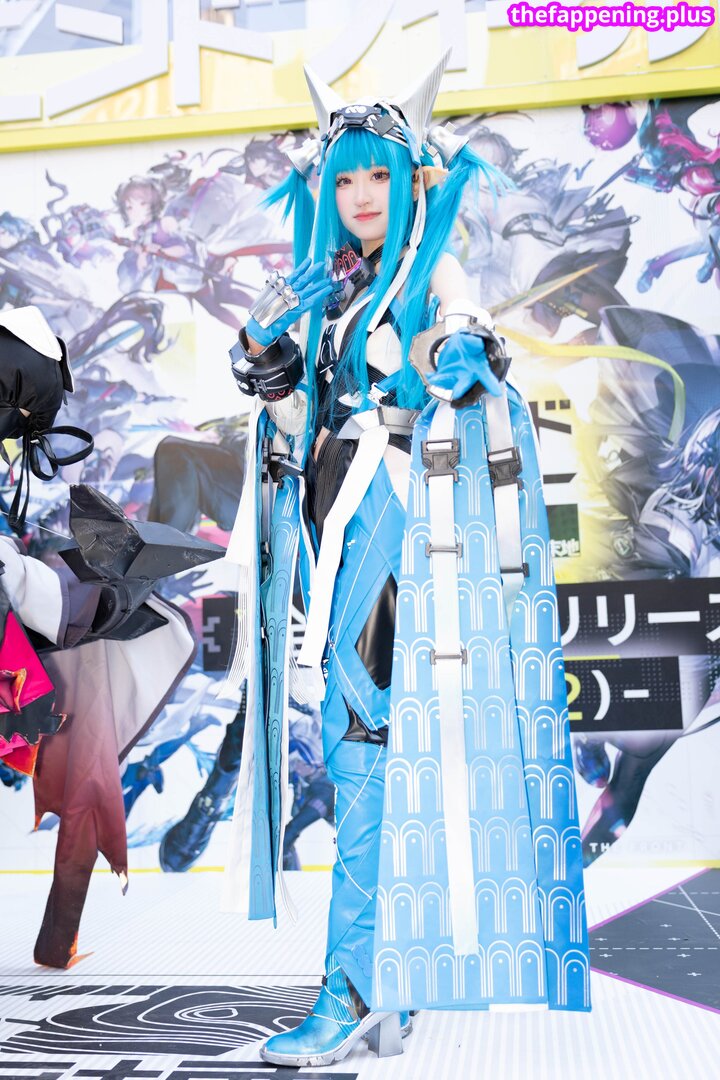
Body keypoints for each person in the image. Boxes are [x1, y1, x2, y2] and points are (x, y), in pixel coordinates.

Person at [224, 54, 591, 1068]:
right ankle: (388, 979)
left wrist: (459, 362)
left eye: (376, 176)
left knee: (366, 753)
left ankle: (351, 993)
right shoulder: (333, 292)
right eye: (342, 179)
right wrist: (269, 363)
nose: (357, 196)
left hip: (396, 529)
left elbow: (462, 366)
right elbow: (298, 432)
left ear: (413, 178)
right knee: (363, 756)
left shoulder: (436, 276)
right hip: (328, 532)